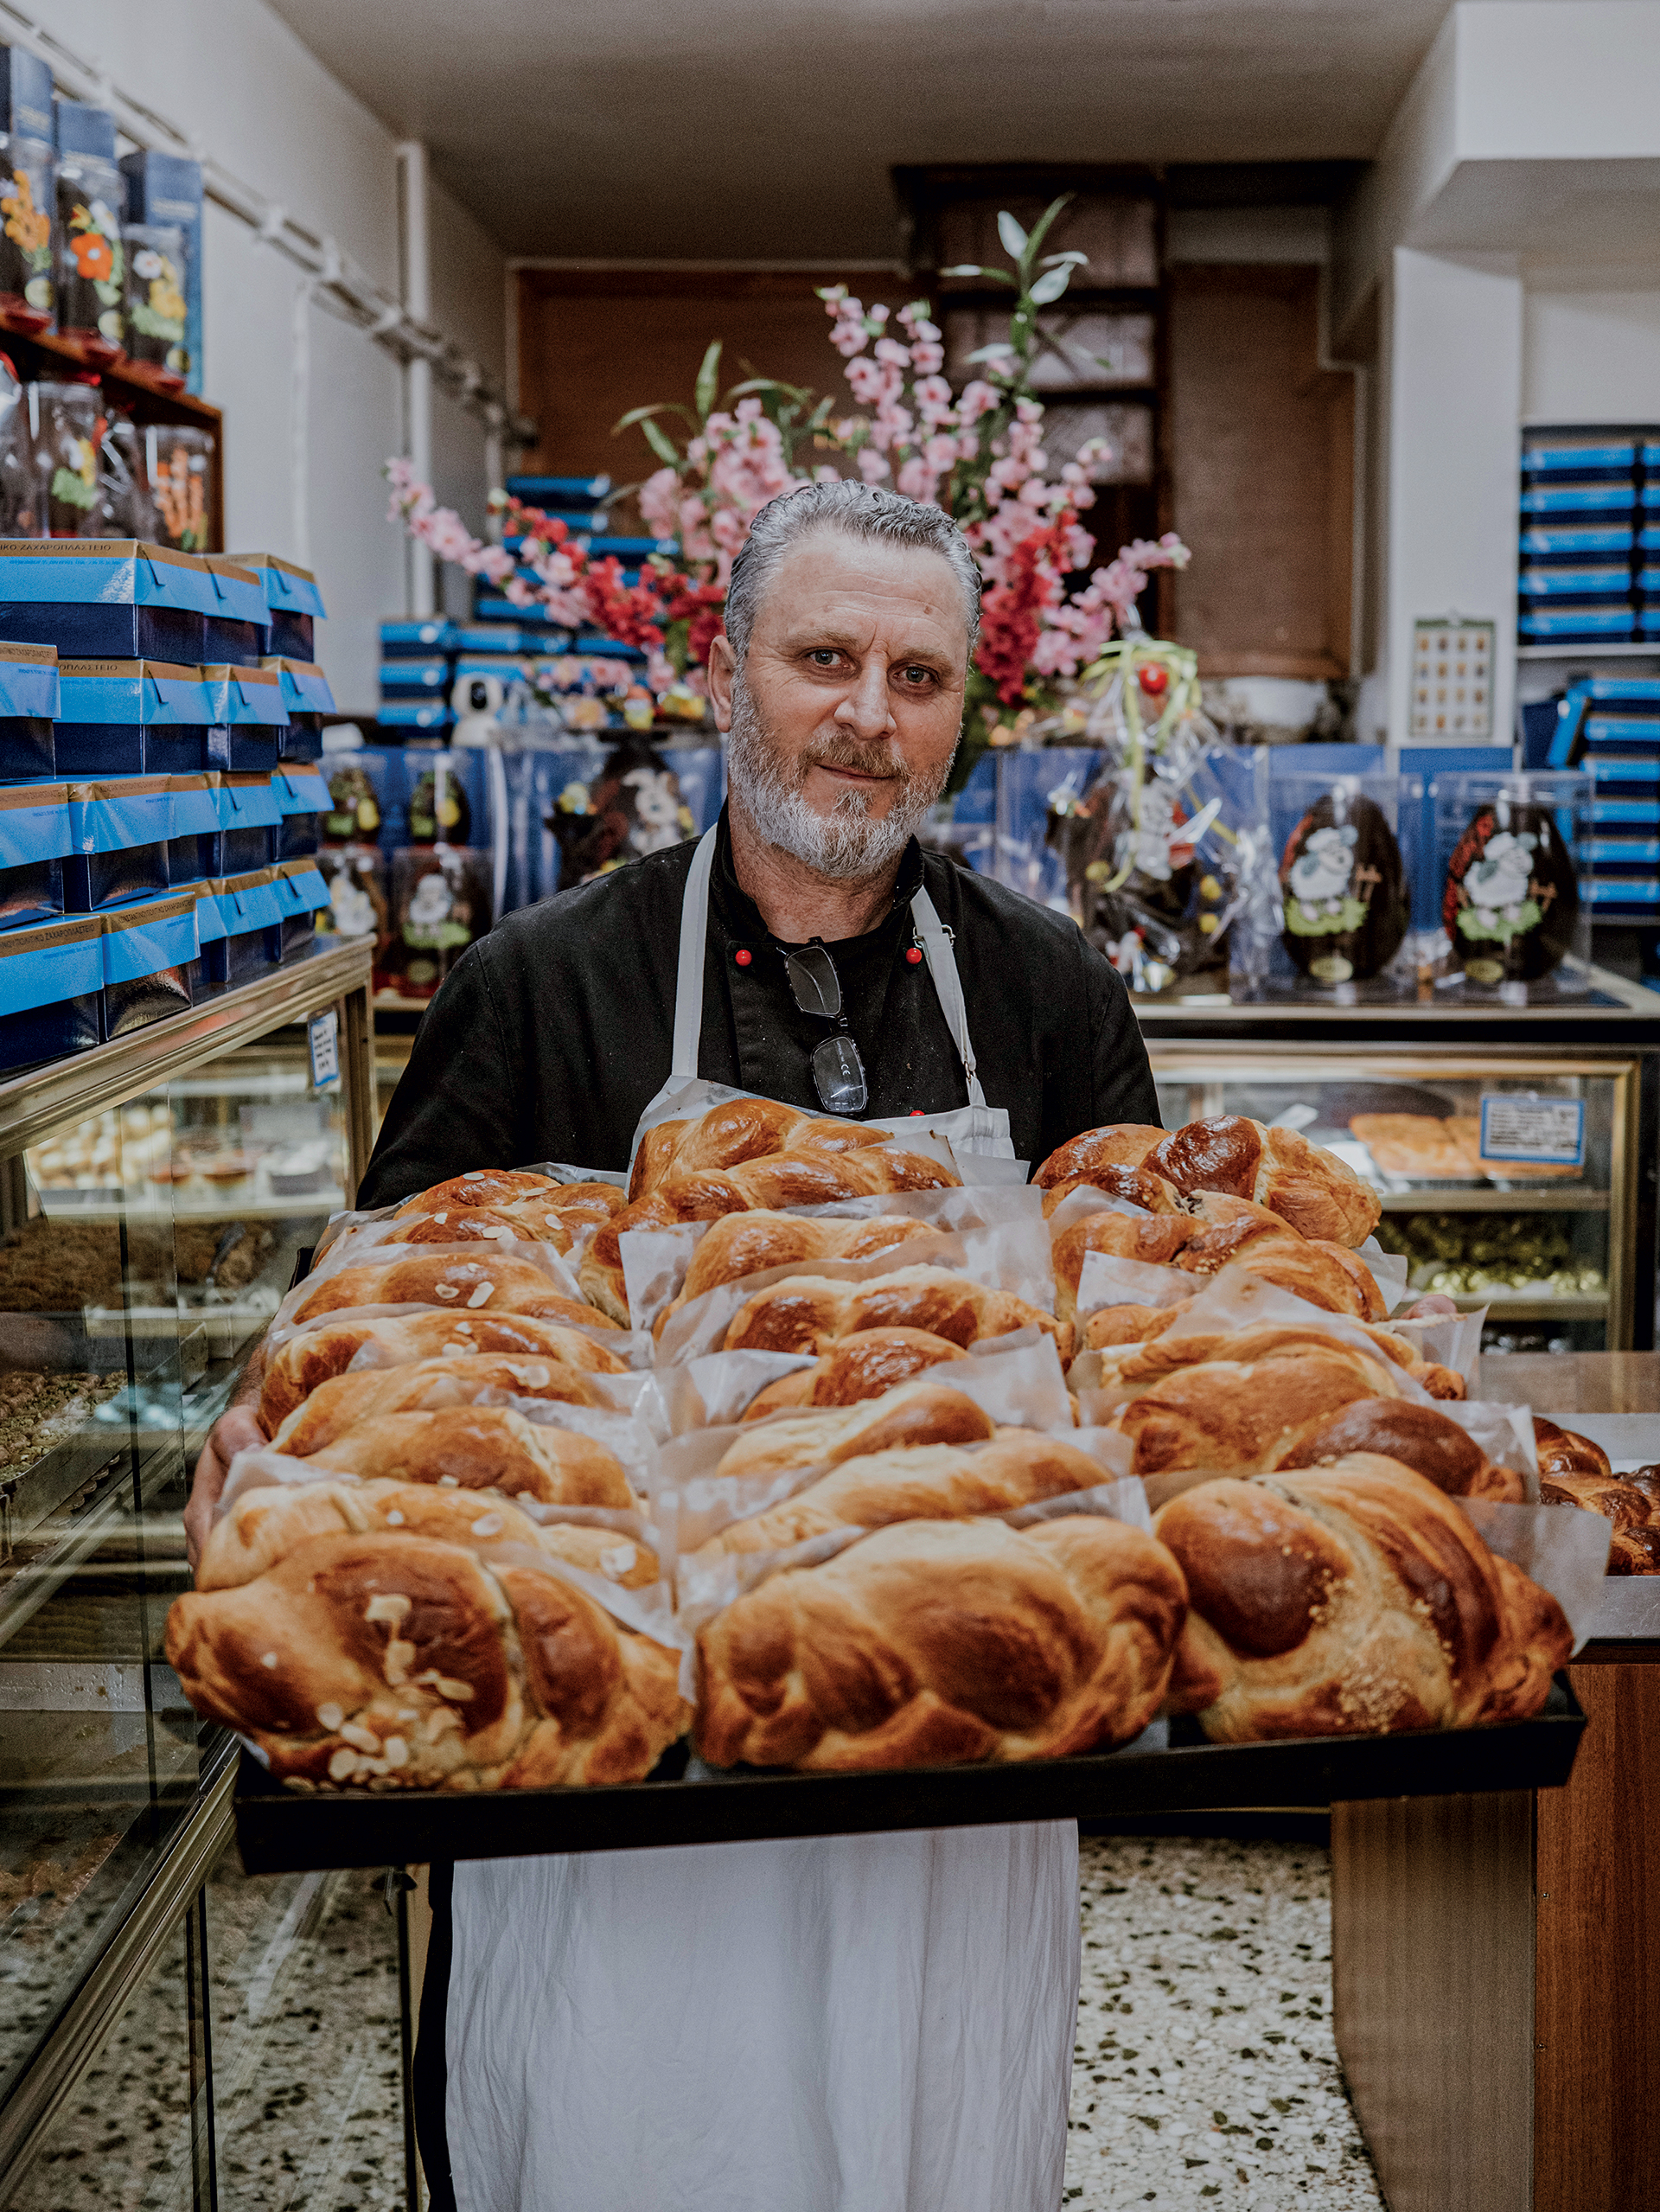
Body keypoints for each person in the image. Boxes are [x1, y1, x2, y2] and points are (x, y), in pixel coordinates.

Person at [186, 478, 1159, 2212]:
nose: (868, 714)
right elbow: (379, 1356)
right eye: (825, 657)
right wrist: (278, 1455)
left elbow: (1133, 1374)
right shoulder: (538, 986)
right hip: (610, 1785)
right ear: (725, 672)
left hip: (950, 1757)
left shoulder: (1050, 995)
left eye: (918, 676)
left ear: (961, 717)